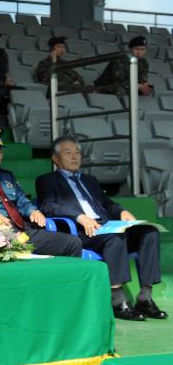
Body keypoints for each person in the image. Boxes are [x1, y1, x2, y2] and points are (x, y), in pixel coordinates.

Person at [36, 135, 167, 321]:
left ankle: (145, 297)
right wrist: (79, 217)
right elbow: (49, 206)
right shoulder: (47, 180)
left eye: (77, 152)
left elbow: (106, 204)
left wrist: (121, 212)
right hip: (83, 232)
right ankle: (118, 301)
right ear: (55, 159)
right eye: (68, 153)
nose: (74, 156)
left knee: (149, 233)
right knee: (115, 237)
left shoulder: (89, 180)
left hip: (106, 226)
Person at [0, 126, 82, 257]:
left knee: (73, 243)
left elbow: (22, 201)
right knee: (15, 247)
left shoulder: (7, 176)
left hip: (22, 230)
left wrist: (32, 211)